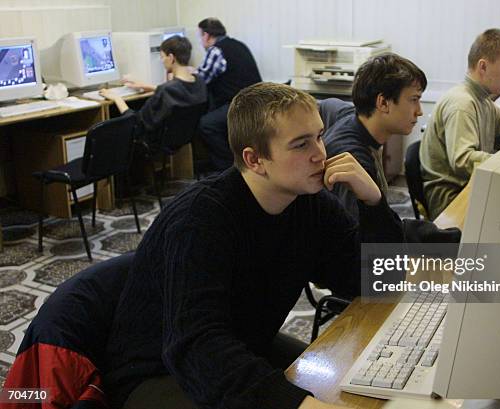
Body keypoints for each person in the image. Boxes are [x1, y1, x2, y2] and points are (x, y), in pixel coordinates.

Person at [103, 82, 403, 409]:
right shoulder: (201, 219)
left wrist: (372, 201)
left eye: (319, 135)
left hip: (239, 344)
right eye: (301, 145)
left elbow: (379, 282)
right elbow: (197, 345)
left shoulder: (309, 203)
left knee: (351, 384)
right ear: (255, 159)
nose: (321, 153)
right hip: (159, 371)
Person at [322, 53, 461, 242]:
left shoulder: (352, 118)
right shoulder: (354, 161)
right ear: (383, 103)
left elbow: (328, 105)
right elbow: (363, 240)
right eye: (413, 99)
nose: (419, 111)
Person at [420, 28, 500, 220]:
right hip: (451, 200)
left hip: (468, 188)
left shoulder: (483, 100)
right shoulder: (463, 104)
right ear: (483, 67)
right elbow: (463, 159)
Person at [100, 35, 207, 145]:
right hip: (183, 139)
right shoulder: (199, 82)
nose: (162, 61)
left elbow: (136, 123)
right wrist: (148, 86)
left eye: (162, 57)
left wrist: (117, 98)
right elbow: (181, 91)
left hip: (153, 144)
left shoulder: (166, 90)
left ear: (171, 58)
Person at [196, 17, 262, 173]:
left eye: (200, 37)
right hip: (255, 101)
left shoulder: (216, 50)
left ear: (206, 35)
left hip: (241, 104)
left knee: (207, 124)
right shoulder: (237, 45)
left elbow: (202, 79)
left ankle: (228, 168)